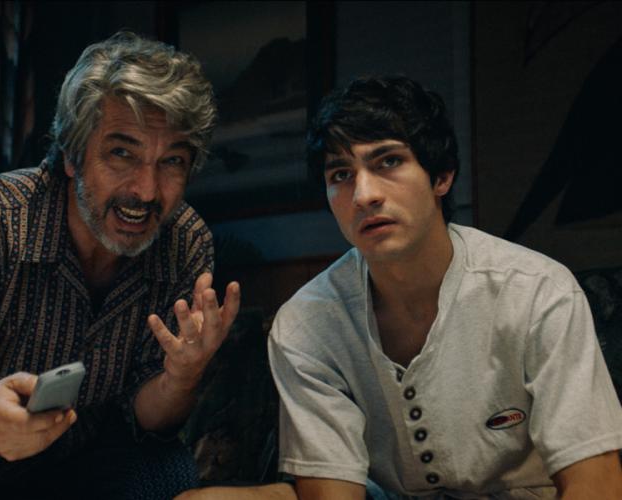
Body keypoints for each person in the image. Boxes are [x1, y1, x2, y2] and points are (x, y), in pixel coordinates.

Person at [180, 76, 622, 499]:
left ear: (441, 177)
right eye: (341, 175)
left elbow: (598, 486)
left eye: (388, 162)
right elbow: (332, 494)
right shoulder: (306, 323)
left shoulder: (537, 291)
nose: (364, 195)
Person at [0, 32, 240, 500]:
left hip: (88, 459)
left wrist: (181, 378)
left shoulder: (186, 242)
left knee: (167, 471)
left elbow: (146, 419)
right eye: (122, 153)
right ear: (72, 156)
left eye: (171, 161)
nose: (146, 190)